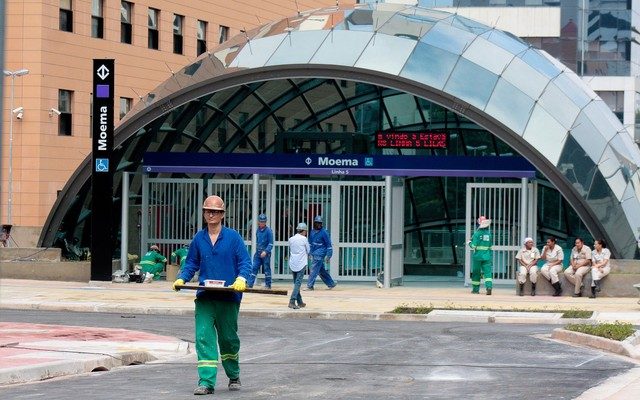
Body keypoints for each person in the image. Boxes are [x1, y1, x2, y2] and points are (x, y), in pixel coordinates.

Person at [172, 195, 251, 396]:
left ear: (222, 214)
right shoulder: (199, 238)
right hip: (206, 297)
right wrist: (182, 277)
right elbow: (191, 263)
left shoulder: (233, 238)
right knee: (203, 337)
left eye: (215, 211)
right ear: (204, 213)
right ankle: (206, 381)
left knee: (228, 339)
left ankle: (233, 373)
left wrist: (242, 278)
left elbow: (245, 262)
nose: (211, 214)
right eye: (208, 210)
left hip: (228, 298)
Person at [305, 215, 337, 290]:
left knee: (314, 269)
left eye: (320, 223)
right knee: (321, 270)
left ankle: (310, 286)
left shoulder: (324, 232)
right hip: (314, 253)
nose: (319, 225)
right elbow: (311, 243)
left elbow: (329, 245)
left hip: (320, 253)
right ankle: (331, 283)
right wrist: (309, 253)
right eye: (317, 223)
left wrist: (329, 256)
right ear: (314, 223)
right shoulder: (312, 232)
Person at [247, 213, 274, 289]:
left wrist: (265, 251)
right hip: (258, 253)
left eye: (264, 222)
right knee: (254, 267)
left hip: (266, 254)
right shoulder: (257, 230)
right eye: (261, 221)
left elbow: (271, 244)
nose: (262, 223)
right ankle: (250, 284)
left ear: (265, 222)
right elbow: (258, 242)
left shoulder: (269, 231)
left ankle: (268, 285)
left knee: (266, 269)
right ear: (258, 222)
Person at [469, 216, 493, 295]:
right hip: (487, 256)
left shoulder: (477, 233)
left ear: (479, 223)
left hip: (478, 257)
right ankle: (489, 287)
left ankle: (475, 290)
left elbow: (473, 246)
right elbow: (490, 246)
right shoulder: (489, 234)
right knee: (488, 273)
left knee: (476, 273)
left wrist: (469, 242)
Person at [288, 222, 310, 309]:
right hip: (301, 263)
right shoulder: (304, 239)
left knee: (296, 283)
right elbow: (308, 250)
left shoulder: (291, 239)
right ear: (304, 231)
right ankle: (292, 301)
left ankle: (300, 302)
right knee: (298, 283)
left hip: (293, 263)